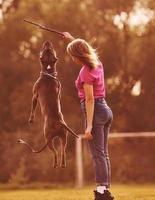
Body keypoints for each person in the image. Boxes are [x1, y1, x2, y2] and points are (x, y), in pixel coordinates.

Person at [63, 32, 114, 200]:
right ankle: (104, 190)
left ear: (78, 56)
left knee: (98, 154)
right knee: (103, 153)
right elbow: (85, 48)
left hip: (96, 111)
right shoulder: (97, 63)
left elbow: (90, 99)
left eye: (73, 56)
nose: (72, 59)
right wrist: (72, 40)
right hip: (105, 110)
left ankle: (101, 193)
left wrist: (89, 125)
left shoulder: (85, 72)